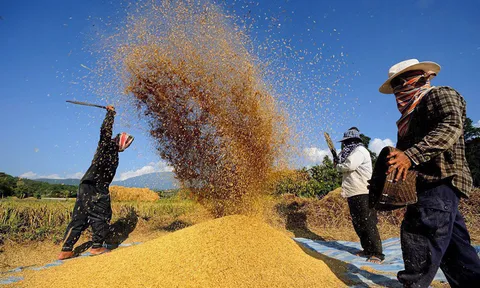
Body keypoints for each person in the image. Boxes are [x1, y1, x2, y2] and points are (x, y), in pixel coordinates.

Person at [379, 59, 480, 287]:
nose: (398, 92)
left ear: (420, 78)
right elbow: (403, 160)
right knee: (457, 253)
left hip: (438, 182)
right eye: (395, 87)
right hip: (428, 187)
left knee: (419, 239)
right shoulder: (409, 118)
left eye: (401, 83)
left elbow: (451, 126)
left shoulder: (439, 95)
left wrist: (411, 156)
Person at [58, 106, 134, 260]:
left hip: (86, 185)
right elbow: (105, 132)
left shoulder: (109, 151)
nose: (126, 147)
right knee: (102, 215)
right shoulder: (107, 147)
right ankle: (97, 246)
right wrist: (110, 114)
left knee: (80, 216)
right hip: (97, 187)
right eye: (127, 144)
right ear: (121, 142)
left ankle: (66, 249)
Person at [335, 127, 384, 264]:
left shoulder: (359, 151)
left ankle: (377, 253)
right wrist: (339, 164)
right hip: (353, 192)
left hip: (363, 192)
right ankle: (367, 249)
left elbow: (349, 166)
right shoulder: (353, 152)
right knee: (358, 223)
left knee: (368, 223)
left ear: (353, 141)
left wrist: (338, 166)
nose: (345, 144)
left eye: (348, 141)